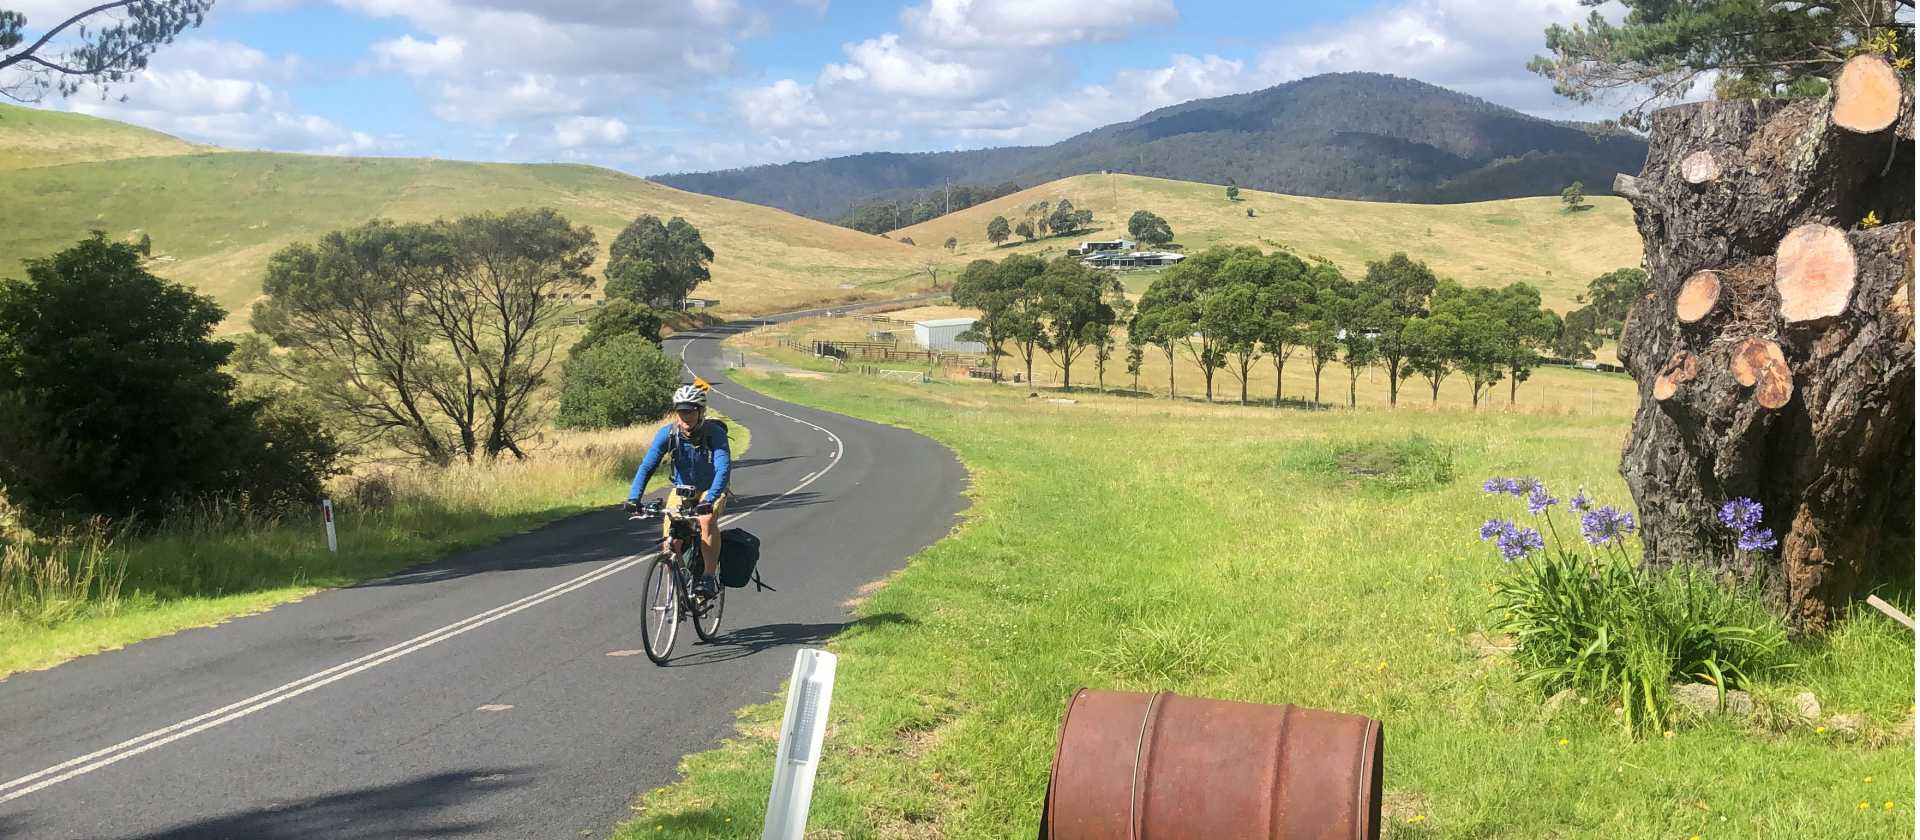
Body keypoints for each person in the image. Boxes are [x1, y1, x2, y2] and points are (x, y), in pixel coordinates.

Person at [626, 382, 733, 597]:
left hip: (712, 488)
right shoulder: (668, 434)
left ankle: (708, 577)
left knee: (706, 520)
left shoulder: (714, 434)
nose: (685, 416)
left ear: (701, 411)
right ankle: (682, 575)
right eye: (681, 411)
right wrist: (634, 497)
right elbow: (647, 466)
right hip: (682, 489)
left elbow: (723, 467)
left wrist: (709, 499)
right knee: (670, 541)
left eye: (690, 411)